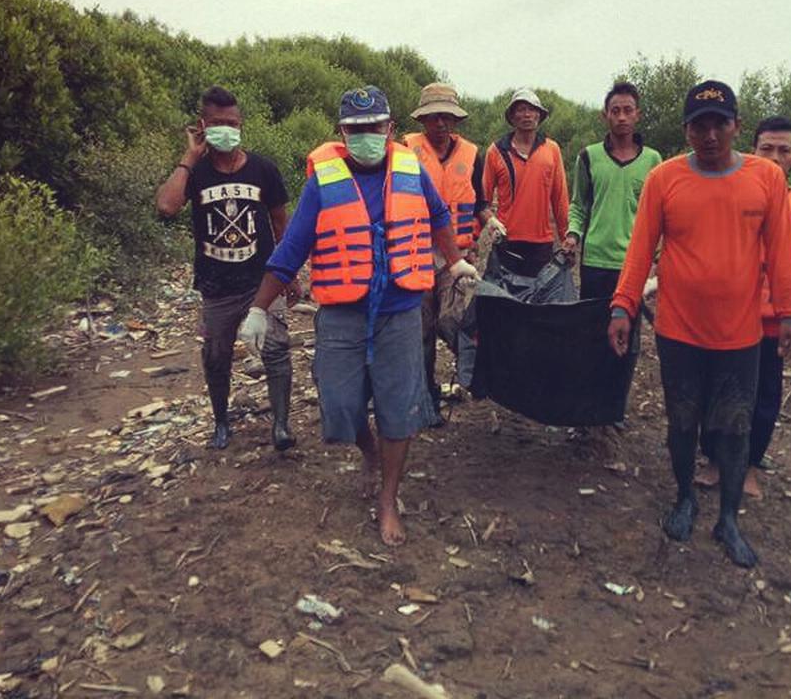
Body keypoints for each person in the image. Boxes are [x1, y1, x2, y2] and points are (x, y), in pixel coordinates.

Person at [238, 86, 478, 546]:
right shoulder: (323, 182)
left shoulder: (411, 170)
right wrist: (257, 308)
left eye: (374, 128)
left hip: (400, 312)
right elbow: (291, 248)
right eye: (355, 129)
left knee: (398, 410)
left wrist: (454, 261)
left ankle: (388, 498)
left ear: (389, 129)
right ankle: (368, 452)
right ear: (341, 132)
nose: (365, 136)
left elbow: (439, 215)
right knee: (342, 408)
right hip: (341, 315)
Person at [608, 81, 791, 569]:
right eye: (700, 124)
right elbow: (640, 250)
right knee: (682, 421)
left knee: (735, 428)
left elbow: (781, 250)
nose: (710, 133)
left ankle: (729, 518)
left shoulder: (765, 179)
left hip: (741, 334)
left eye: (720, 123)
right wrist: (622, 306)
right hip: (678, 330)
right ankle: (684, 499)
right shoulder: (665, 179)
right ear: (687, 130)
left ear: (736, 125)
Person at [153, 85, 296, 452]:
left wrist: (291, 273)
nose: (226, 130)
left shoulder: (263, 169)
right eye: (217, 123)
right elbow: (167, 207)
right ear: (203, 126)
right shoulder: (196, 173)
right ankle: (221, 423)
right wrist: (188, 157)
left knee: (277, 349)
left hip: (261, 280)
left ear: (241, 123)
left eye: (231, 123)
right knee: (216, 357)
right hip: (217, 286)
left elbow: (282, 224)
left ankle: (281, 425)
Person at [695, 116, 791, 497]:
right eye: (766, 148)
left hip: (772, 321)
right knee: (715, 391)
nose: (774, 156)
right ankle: (714, 460)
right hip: (726, 313)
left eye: (783, 150)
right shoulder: (729, 190)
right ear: (752, 150)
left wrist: (775, 205)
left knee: (763, 397)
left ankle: (750, 466)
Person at [403, 83, 494, 425]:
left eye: (447, 116)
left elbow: (481, 201)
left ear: (455, 120)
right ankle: (428, 398)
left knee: (452, 320)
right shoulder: (405, 151)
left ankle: (476, 373)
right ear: (423, 119)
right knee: (423, 329)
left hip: (457, 256)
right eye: (434, 117)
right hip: (415, 252)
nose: (441, 123)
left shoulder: (472, 154)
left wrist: (491, 220)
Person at [562, 81, 663, 299]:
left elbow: (658, 215)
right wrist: (573, 235)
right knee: (591, 328)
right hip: (594, 261)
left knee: (628, 328)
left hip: (633, 261)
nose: (622, 117)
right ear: (605, 115)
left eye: (628, 110)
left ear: (638, 114)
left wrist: (657, 259)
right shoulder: (589, 157)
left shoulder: (653, 160)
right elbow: (579, 205)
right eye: (615, 111)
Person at [482, 88, 570, 277]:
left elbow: (560, 198)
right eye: (521, 109)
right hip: (507, 241)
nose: (527, 114)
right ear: (512, 117)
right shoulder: (496, 151)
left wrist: (566, 237)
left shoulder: (552, 149)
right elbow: (483, 200)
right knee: (507, 302)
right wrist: (483, 231)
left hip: (542, 244)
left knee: (539, 303)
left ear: (539, 115)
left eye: (532, 109)